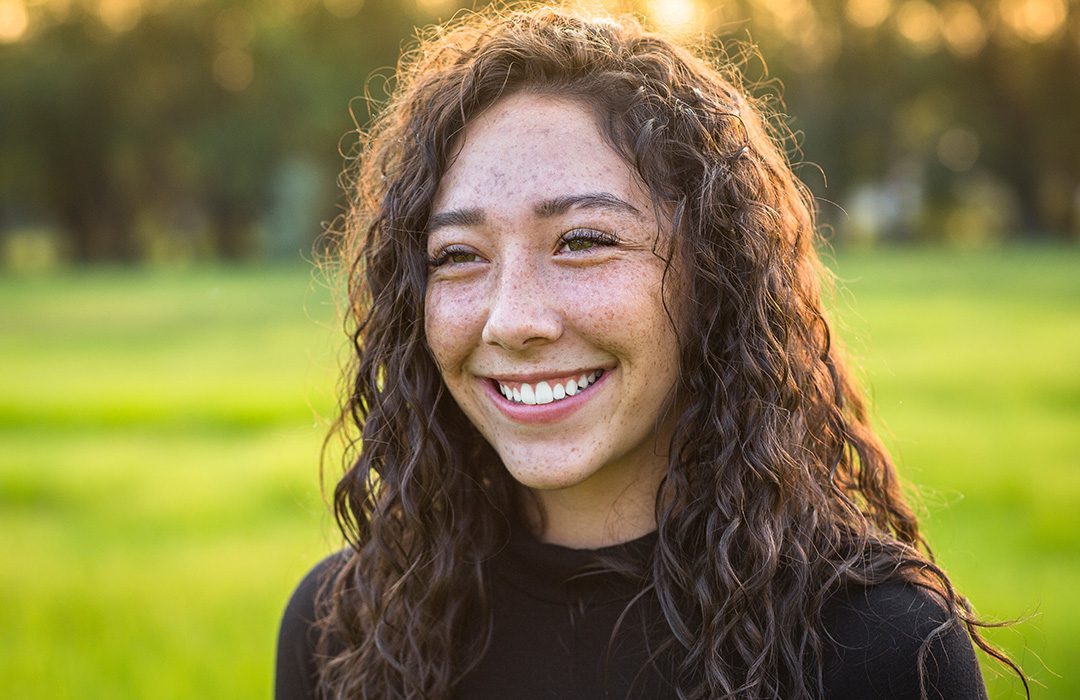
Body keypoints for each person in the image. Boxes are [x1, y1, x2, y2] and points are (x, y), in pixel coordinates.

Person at [276, 6, 1026, 699]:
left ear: (715, 275)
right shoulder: (342, 626)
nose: (511, 320)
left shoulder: (878, 648)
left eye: (582, 241)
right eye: (459, 255)